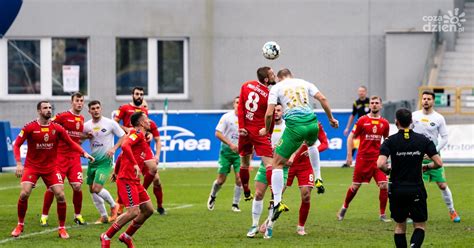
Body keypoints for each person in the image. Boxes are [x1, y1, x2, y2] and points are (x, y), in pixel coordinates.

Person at [261, 68, 338, 228]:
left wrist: (266, 129)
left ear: (280, 78)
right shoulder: (304, 83)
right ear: (291, 75)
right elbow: (322, 98)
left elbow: (269, 114)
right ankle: (318, 177)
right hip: (312, 124)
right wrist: (331, 118)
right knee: (311, 144)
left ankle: (277, 203)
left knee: (276, 163)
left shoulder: (276, 88)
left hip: (295, 127)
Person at [12, 101, 94, 238]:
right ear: (39, 111)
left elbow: (70, 143)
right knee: (24, 194)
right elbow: (17, 145)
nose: (48, 110)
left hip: (51, 168)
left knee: (61, 195)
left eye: (50, 108)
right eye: (45, 108)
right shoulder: (30, 127)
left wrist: (84, 153)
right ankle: (20, 224)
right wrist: (19, 163)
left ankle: (61, 228)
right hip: (32, 167)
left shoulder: (57, 128)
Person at [378, 108, 443, 248]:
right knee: (419, 225)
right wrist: (426, 167)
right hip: (416, 188)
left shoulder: (390, 141)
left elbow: (380, 164)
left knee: (400, 225)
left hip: (396, 189)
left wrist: (388, 170)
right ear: (411, 122)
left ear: (396, 122)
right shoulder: (423, 140)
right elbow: (438, 163)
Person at [100, 112, 155, 248]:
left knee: (148, 210)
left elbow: (121, 156)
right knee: (133, 212)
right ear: (141, 123)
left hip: (134, 180)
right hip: (126, 180)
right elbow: (124, 146)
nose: (149, 121)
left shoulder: (140, 136)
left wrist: (116, 170)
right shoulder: (136, 134)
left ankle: (126, 236)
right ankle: (106, 236)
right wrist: (135, 164)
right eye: (147, 119)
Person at [337, 96, 390, 222]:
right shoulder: (362, 120)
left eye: (377, 103)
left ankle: (382, 214)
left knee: (384, 185)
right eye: (372, 103)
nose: (374, 105)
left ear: (381, 105)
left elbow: (387, 141)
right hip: (363, 159)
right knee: (355, 187)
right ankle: (344, 207)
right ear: (369, 105)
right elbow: (351, 137)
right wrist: (349, 155)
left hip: (377, 160)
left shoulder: (385, 123)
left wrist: (386, 158)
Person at [412, 90, 460, 223]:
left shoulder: (439, 118)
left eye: (429, 99)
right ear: (421, 100)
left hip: (433, 156)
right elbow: (407, 133)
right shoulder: (414, 116)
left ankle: (452, 211)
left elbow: (444, 138)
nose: (426, 101)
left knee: (442, 185)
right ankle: (412, 213)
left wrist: (434, 151)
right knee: (415, 186)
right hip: (416, 157)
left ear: (433, 101)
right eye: (424, 99)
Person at [41, 92, 88, 226]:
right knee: (53, 188)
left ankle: (78, 215)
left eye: (81, 101)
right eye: (77, 100)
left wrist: (85, 136)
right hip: (60, 157)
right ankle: (44, 215)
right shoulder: (62, 116)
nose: (79, 103)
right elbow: (48, 125)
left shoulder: (82, 118)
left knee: (77, 186)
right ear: (71, 102)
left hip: (74, 158)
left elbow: (75, 138)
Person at [246, 104, 289, 238]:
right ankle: (254, 225)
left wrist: (291, 156)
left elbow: (297, 144)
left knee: (275, 198)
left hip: (282, 166)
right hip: (266, 164)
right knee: (258, 194)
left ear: (282, 112)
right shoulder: (265, 125)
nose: (276, 112)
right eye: (274, 110)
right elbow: (256, 141)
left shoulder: (288, 127)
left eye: (278, 110)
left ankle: (270, 226)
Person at [83, 100, 126, 224]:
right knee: (91, 189)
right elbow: (79, 138)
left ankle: (114, 206)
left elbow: (123, 136)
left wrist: (114, 148)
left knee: (97, 188)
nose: (96, 110)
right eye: (93, 109)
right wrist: (86, 136)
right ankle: (103, 216)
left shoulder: (110, 123)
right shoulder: (86, 126)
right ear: (89, 111)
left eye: (98, 108)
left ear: (101, 109)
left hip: (105, 161)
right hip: (93, 161)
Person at [237, 66, 276, 201]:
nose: (274, 76)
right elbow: (270, 116)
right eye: (272, 74)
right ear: (266, 79)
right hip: (260, 132)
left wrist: (241, 127)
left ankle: (246, 191)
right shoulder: (270, 94)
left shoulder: (246, 85)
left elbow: (241, 107)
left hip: (245, 131)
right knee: (270, 165)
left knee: (244, 164)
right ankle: (275, 196)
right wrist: (268, 134)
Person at [287, 122, 329, 236]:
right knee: (277, 194)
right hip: (287, 163)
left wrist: (313, 150)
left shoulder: (316, 124)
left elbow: (325, 144)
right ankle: (269, 222)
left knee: (306, 196)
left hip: (306, 166)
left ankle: (301, 227)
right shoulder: (290, 120)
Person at [207, 97, 243, 212]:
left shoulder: (246, 119)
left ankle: (235, 204)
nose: (239, 104)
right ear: (234, 104)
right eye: (237, 102)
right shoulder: (227, 117)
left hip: (239, 153)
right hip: (226, 152)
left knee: (239, 178)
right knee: (221, 180)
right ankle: (213, 195)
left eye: (241, 103)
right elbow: (217, 133)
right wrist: (231, 144)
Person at [342, 86, 370, 168]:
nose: (361, 93)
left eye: (363, 91)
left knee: (368, 143)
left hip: (369, 125)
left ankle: (368, 162)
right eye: (360, 91)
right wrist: (347, 127)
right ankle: (348, 161)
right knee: (353, 142)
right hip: (359, 125)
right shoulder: (356, 103)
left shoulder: (370, 101)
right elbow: (353, 115)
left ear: (366, 92)